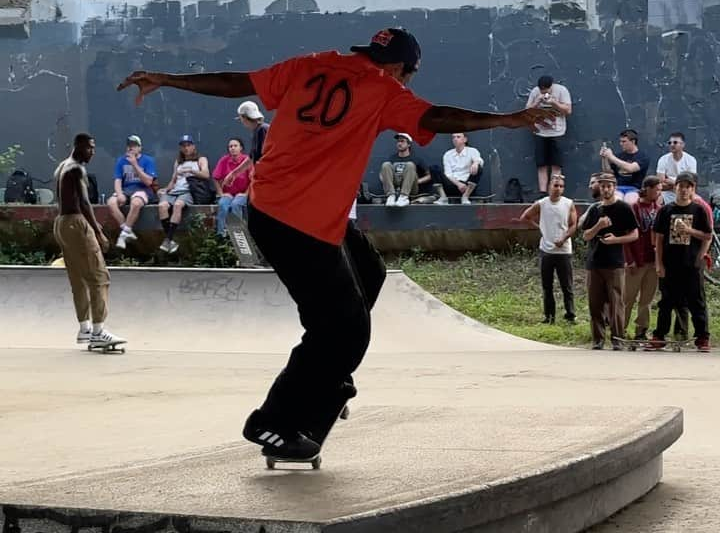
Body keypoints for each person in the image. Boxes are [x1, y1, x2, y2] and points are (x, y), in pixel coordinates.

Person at [119, 26, 556, 461]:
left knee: (370, 271)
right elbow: (436, 117)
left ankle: (325, 376)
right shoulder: (383, 88)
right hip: (297, 224)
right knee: (345, 330)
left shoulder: (310, 64)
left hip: (276, 207)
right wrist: (506, 119)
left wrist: (168, 78)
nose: (407, 85)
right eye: (409, 77)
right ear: (401, 68)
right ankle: (272, 422)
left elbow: (238, 82)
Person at [53, 133, 125, 348]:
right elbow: (84, 202)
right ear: (78, 147)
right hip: (76, 222)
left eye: (93, 148)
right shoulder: (76, 168)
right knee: (99, 276)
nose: (92, 152)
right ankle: (98, 331)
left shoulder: (62, 166)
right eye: (89, 148)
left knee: (78, 278)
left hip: (62, 223)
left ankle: (84, 329)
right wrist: (97, 230)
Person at [650, 172, 711, 351]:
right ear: (675, 187)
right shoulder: (666, 211)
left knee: (696, 301)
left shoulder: (699, 210)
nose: (684, 190)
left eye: (688, 187)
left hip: (691, 264)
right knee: (666, 302)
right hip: (670, 264)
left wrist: (699, 252)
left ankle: (702, 337)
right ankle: (659, 335)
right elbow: (659, 239)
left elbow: (706, 235)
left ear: (692, 189)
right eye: (681, 186)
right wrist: (659, 264)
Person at [582, 173, 638, 349]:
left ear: (614, 187)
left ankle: (617, 339)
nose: (606, 189)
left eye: (609, 186)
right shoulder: (594, 209)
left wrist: (615, 240)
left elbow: (634, 234)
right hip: (594, 262)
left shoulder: (624, 208)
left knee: (616, 303)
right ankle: (598, 340)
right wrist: (598, 225)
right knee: (595, 303)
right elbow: (585, 235)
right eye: (603, 186)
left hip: (614, 263)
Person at [518, 173, 577, 324]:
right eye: (555, 185)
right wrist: (541, 229)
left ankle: (571, 315)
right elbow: (525, 217)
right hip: (547, 250)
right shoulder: (542, 203)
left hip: (563, 251)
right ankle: (549, 317)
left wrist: (564, 238)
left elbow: (573, 225)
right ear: (549, 186)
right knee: (547, 286)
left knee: (567, 286)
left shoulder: (568, 203)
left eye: (561, 186)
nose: (558, 189)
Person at [624, 175, 662, 341]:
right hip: (637, 260)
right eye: (656, 189)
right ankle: (620, 328)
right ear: (647, 188)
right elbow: (626, 235)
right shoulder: (634, 208)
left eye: (660, 189)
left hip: (653, 260)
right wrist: (629, 259)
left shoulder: (659, 209)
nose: (659, 192)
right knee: (628, 298)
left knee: (646, 299)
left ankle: (641, 331)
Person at [157, 135, 210, 253]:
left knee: (177, 205)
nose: (186, 148)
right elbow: (173, 180)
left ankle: (168, 239)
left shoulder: (201, 159)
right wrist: (165, 189)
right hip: (175, 190)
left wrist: (192, 171)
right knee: (162, 206)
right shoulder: (178, 162)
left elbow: (206, 175)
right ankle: (169, 240)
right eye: (183, 146)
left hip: (187, 191)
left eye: (188, 145)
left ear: (193, 146)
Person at [525, 74, 572, 195]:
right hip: (540, 132)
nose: (543, 92)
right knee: (541, 164)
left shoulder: (562, 90)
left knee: (556, 164)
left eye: (546, 90)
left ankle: (555, 190)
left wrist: (554, 103)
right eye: (542, 90)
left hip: (558, 132)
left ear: (552, 86)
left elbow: (568, 111)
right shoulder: (535, 92)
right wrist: (537, 102)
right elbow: (527, 111)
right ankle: (542, 192)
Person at [109, 135, 158, 250]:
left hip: (143, 190)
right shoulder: (121, 160)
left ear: (140, 148)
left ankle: (123, 235)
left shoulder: (148, 160)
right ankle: (126, 230)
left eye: (134, 146)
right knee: (111, 202)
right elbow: (118, 180)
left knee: (136, 203)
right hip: (126, 190)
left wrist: (135, 164)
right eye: (129, 146)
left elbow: (148, 182)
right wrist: (119, 193)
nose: (131, 148)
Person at [212, 137, 252, 236]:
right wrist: (221, 194)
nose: (232, 148)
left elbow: (253, 180)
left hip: (243, 194)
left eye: (235, 146)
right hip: (228, 194)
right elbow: (215, 178)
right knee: (222, 204)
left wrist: (244, 194)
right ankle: (222, 234)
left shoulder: (247, 160)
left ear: (241, 148)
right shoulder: (224, 160)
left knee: (236, 204)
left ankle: (238, 234)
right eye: (230, 146)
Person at [379, 132, 431, 207]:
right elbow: (381, 174)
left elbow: (429, 175)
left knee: (410, 165)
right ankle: (391, 196)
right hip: (395, 186)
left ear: (409, 144)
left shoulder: (416, 159)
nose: (399, 143)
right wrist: (388, 183)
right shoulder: (392, 158)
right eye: (398, 141)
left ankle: (404, 197)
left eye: (402, 141)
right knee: (385, 164)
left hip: (411, 188)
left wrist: (418, 181)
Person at [599, 130, 649, 205]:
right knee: (616, 202)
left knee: (630, 202)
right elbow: (608, 172)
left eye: (624, 141)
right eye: (620, 141)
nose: (621, 144)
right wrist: (604, 158)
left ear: (633, 142)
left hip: (634, 188)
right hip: (618, 187)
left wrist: (611, 157)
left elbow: (631, 168)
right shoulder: (619, 156)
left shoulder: (642, 156)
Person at [434, 132, 484, 204]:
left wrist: (475, 163)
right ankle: (443, 197)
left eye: (458, 137)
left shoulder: (472, 151)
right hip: (452, 184)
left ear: (465, 139)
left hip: (467, 186)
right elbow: (448, 174)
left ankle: (465, 197)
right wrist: (458, 184)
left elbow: (479, 160)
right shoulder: (448, 154)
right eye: (453, 137)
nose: (455, 139)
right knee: (434, 168)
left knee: (479, 167)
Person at [656, 132, 697, 204]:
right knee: (657, 200)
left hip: (685, 193)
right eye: (669, 143)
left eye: (675, 142)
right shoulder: (663, 159)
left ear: (683, 145)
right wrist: (680, 183)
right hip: (666, 194)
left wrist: (673, 182)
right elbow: (660, 184)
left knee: (698, 202)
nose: (672, 145)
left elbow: (691, 183)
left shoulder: (691, 160)